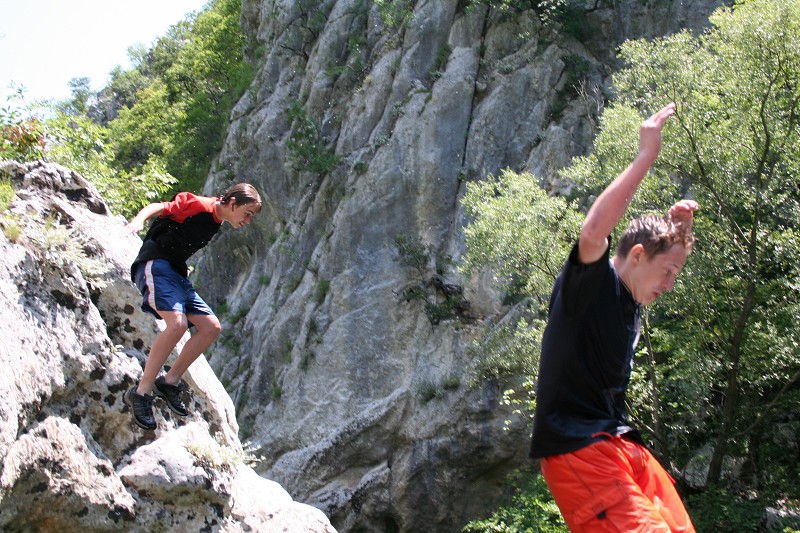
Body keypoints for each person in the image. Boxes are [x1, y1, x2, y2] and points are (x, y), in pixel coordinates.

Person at [529, 103, 698, 532]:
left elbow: (654, 247)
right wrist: (646, 157)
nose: (670, 285)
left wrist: (676, 232)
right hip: (577, 448)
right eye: (668, 272)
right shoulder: (591, 285)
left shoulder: (630, 298)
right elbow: (593, 232)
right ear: (636, 256)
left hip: (619, 442)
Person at [123, 183, 262, 430]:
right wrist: (139, 220)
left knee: (210, 327)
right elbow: (160, 207)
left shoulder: (216, 220)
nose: (248, 220)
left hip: (176, 274)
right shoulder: (198, 205)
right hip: (155, 264)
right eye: (247, 213)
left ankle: (169, 381)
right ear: (233, 204)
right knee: (177, 325)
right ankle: (141, 392)